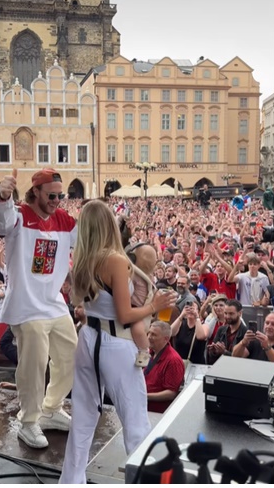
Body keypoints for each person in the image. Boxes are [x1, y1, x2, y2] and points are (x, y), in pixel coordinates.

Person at [60, 200, 177, 484]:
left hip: (87, 340)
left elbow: (81, 305)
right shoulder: (115, 259)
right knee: (135, 422)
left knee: (83, 420)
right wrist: (155, 304)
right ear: (110, 224)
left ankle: (70, 481)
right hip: (115, 342)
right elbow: (125, 315)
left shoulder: (82, 260)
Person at [0, 167, 78, 449]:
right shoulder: (20, 215)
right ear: (36, 191)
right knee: (35, 363)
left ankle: (51, 409)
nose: (56, 200)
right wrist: (2, 197)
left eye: (60, 195)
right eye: (51, 195)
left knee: (71, 355)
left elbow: (88, 237)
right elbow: (1, 224)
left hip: (53, 303)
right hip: (27, 305)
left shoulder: (64, 219)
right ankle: (29, 422)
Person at [144, 321, 185, 413]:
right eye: (149, 333)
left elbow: (171, 393)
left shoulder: (173, 361)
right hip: (143, 406)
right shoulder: (150, 352)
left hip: (156, 413)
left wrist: (144, 396)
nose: (149, 337)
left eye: (154, 335)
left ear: (166, 339)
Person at [207, 299, 247, 364]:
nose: (228, 316)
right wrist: (214, 351)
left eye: (231, 314)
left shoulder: (246, 333)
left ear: (240, 313)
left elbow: (240, 360)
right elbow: (212, 359)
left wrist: (224, 352)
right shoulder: (221, 330)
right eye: (225, 313)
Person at [170, 301, 208, 365]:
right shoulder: (180, 324)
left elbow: (200, 336)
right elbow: (170, 333)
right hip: (179, 363)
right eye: (188, 308)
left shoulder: (204, 326)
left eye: (193, 308)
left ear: (198, 311)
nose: (190, 310)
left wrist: (197, 317)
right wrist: (181, 315)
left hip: (196, 365)